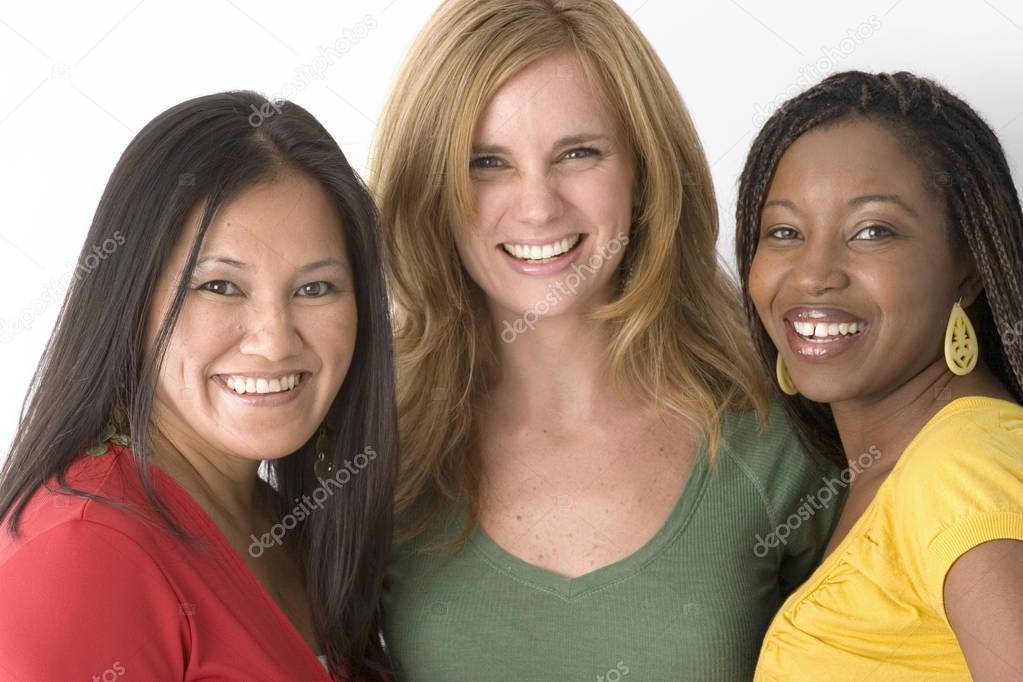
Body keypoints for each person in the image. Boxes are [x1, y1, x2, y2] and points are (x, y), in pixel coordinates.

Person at [371, 1, 843, 679]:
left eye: (578, 152)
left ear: (644, 171)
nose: (537, 206)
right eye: (486, 162)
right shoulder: (372, 451)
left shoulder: (778, 435)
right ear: (429, 185)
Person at [0, 91, 398, 680]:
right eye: (219, 287)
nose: (275, 340)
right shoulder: (85, 553)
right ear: (130, 301)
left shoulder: (296, 527)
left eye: (315, 289)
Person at [735, 70, 1023, 680]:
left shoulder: (961, 471)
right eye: (784, 232)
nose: (814, 275)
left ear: (966, 269)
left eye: (873, 232)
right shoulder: (899, 466)